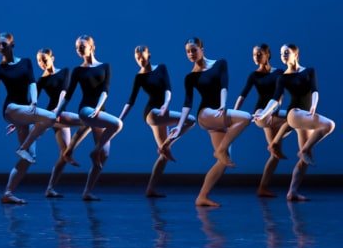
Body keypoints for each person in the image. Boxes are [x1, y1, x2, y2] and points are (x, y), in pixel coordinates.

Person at [0, 32, 56, 204]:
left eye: (4, 44)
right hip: (11, 109)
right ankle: (22, 147)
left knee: (29, 158)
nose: (1, 47)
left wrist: (34, 101)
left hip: (25, 111)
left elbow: (32, 82)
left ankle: (8, 193)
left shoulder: (26, 62)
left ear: (12, 45)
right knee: (52, 117)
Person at [172, 37, 251, 207]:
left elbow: (224, 85)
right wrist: (179, 125)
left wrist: (223, 104)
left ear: (202, 49)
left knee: (224, 161)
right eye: (188, 52)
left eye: (194, 50)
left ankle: (202, 196)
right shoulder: (190, 77)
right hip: (206, 114)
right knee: (246, 117)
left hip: (218, 112)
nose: (191, 54)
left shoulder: (220, 64)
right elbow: (187, 104)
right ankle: (220, 150)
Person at [255, 44, 335, 201]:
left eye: (286, 52)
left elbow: (315, 90)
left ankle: (292, 192)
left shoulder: (309, 71)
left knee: (306, 159)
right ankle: (303, 150)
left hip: (306, 115)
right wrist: (265, 112)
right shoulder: (283, 77)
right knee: (329, 125)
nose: (283, 56)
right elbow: (275, 99)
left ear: (296, 55)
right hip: (295, 114)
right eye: (281, 54)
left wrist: (314, 105)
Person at [118, 45, 196, 197]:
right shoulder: (139, 77)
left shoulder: (161, 68)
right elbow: (131, 101)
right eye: (137, 59)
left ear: (149, 55)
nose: (140, 61)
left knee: (164, 155)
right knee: (190, 120)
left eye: (142, 57)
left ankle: (150, 189)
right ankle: (165, 145)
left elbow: (168, 88)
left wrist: (166, 104)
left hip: (162, 112)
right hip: (152, 113)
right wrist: (120, 119)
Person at [63, 35, 123, 201]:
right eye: (77, 47)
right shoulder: (78, 70)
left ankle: (87, 191)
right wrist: (57, 111)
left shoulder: (105, 66)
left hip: (99, 111)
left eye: (82, 46)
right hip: (85, 109)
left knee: (104, 155)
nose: (79, 50)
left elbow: (105, 90)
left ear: (92, 47)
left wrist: (98, 107)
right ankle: (92, 151)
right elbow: (68, 95)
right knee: (117, 124)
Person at [233, 44, 289, 197]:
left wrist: (273, 110)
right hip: (260, 113)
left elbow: (279, 95)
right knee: (290, 122)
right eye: (254, 54)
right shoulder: (254, 75)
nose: (256, 57)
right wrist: (235, 113)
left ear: (268, 55)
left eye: (259, 54)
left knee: (275, 155)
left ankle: (262, 188)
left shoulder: (279, 72)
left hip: (273, 112)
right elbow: (242, 95)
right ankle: (274, 143)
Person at [34, 48, 88, 198]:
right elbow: (32, 100)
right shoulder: (41, 80)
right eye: (39, 61)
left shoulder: (65, 71)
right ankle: (69, 151)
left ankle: (50, 189)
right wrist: (22, 116)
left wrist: (58, 109)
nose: (42, 63)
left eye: (44, 60)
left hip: (59, 112)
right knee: (87, 122)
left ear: (52, 58)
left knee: (63, 156)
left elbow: (64, 91)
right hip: (52, 114)